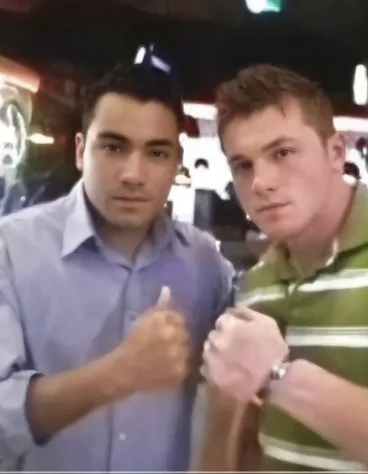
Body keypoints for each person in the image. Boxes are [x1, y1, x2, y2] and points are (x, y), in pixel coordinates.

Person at [199, 65, 368, 472]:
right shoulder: (257, 285)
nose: (261, 182)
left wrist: (281, 377)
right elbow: (244, 449)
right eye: (243, 165)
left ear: (336, 153)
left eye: (282, 153)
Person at [0, 63, 234, 471]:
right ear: (79, 150)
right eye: (113, 147)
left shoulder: (205, 264)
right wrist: (119, 372)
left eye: (156, 153)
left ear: (177, 162)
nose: (133, 174)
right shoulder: (12, 249)